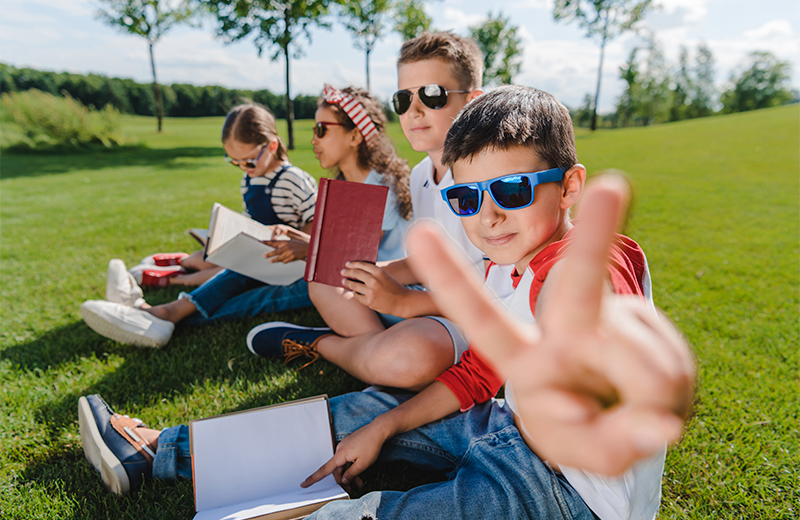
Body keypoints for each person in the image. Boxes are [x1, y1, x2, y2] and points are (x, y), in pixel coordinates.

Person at [77, 86, 695, 520]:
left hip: (569, 494)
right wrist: (384, 427)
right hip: (505, 424)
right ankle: (156, 451)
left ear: (571, 188)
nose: (490, 215)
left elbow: (585, 305)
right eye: (466, 199)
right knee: (370, 408)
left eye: (511, 187)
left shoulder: (590, 260)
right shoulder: (503, 268)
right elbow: (480, 373)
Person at [247, 32, 488, 392]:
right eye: (403, 99)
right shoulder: (422, 175)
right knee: (325, 280)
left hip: (465, 320)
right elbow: (425, 261)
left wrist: (406, 302)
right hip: (418, 303)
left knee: (409, 357)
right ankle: (374, 354)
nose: (414, 110)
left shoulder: (487, 180)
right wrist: (377, 276)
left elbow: (494, 288)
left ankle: (323, 344)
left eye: (433, 95)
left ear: (473, 102)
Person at [79, 103, 318, 348]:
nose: (244, 169)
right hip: (263, 258)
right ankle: (154, 311)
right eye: (234, 162)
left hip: (293, 264)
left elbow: (318, 225)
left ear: (272, 146)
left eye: (248, 161)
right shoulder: (250, 179)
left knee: (232, 280)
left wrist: (292, 242)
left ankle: (159, 313)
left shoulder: (293, 180)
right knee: (228, 273)